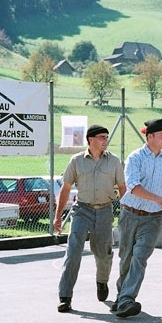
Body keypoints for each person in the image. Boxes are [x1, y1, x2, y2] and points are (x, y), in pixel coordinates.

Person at [55, 125, 126, 313]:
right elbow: (66, 188)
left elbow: (122, 187)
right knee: (73, 252)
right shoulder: (76, 160)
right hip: (81, 210)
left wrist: (125, 211)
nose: (105, 141)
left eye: (106, 137)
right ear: (90, 139)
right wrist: (58, 216)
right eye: (102, 137)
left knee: (103, 254)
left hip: (105, 211)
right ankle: (65, 296)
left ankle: (102, 281)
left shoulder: (114, 161)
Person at [112, 118, 162, 318]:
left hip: (153, 218)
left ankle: (127, 299)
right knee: (126, 258)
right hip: (130, 214)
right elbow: (133, 187)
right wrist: (157, 199)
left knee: (140, 257)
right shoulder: (135, 157)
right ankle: (121, 297)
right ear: (150, 137)